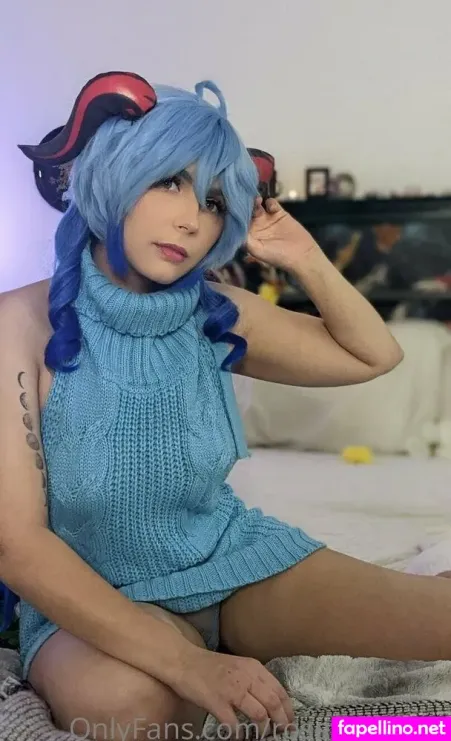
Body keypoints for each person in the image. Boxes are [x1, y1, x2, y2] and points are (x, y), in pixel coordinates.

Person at [0, 71, 451, 741]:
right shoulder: (18, 324)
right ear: (114, 173)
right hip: (93, 601)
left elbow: (373, 355)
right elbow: (18, 545)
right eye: (168, 182)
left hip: (233, 566)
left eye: (214, 200)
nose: (192, 218)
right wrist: (187, 664)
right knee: (131, 712)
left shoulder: (218, 312)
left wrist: (304, 256)